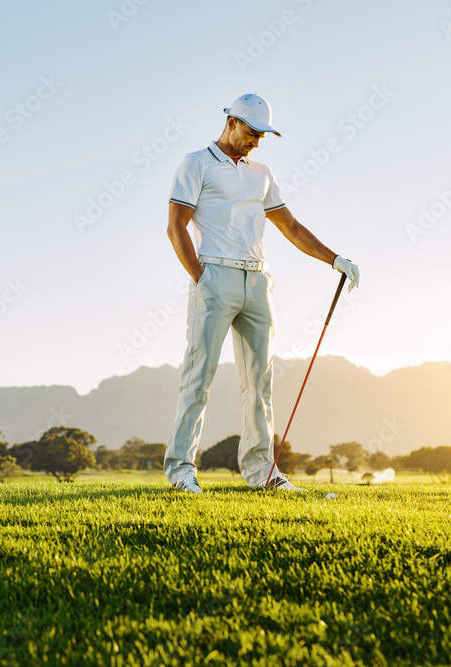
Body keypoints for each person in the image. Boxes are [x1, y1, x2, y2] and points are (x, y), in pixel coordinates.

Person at [163, 93, 360, 494]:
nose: (257, 141)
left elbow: (291, 228)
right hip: (214, 276)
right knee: (198, 378)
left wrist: (336, 259)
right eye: (252, 133)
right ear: (231, 123)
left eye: (262, 136)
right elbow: (176, 227)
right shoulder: (196, 163)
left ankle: (262, 473)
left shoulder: (263, 173)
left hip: (257, 282)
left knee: (260, 383)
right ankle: (182, 469)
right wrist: (202, 278)